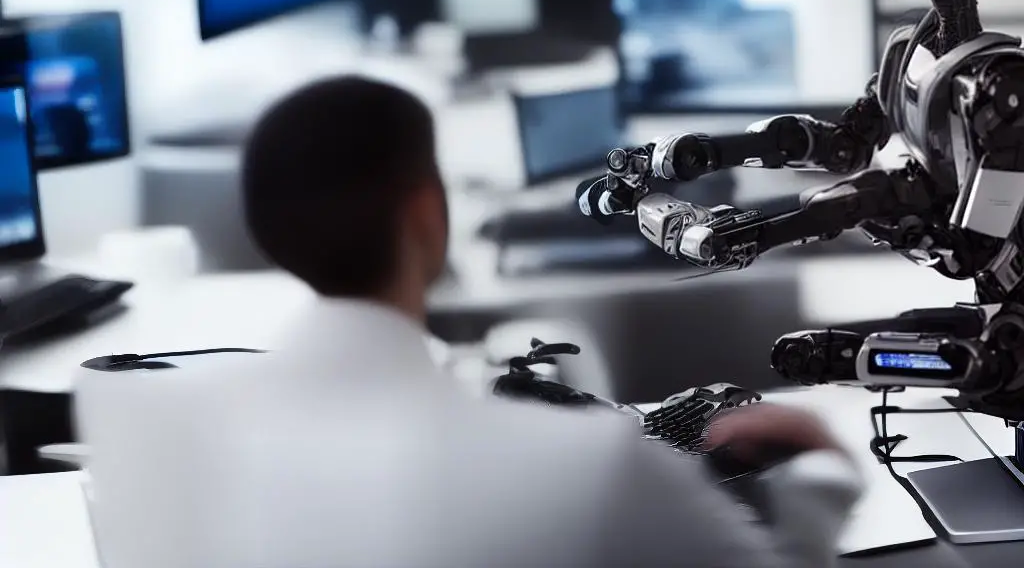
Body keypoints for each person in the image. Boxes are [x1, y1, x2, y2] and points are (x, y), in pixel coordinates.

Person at [83, 77, 864, 568]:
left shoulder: (142, 445)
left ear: (262, 229)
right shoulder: (591, 470)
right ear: (427, 212)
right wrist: (820, 478)